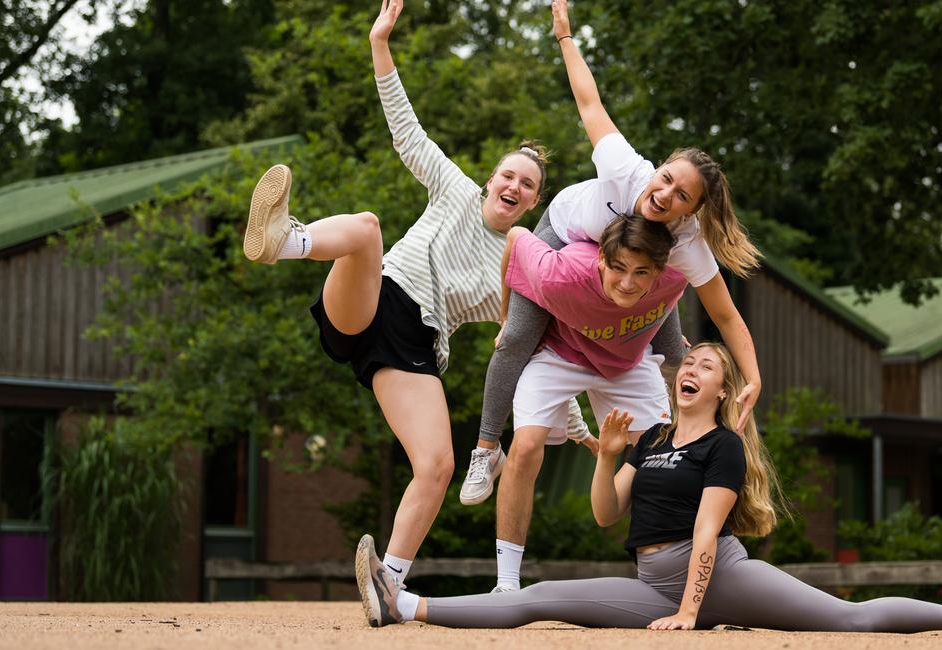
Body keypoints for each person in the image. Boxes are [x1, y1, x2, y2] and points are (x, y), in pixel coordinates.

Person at [242, 0, 587, 592]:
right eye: (509, 175)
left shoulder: (516, 269)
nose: (515, 185)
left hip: (412, 349)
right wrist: (380, 43)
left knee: (438, 465)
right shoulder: (453, 188)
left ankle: (389, 584)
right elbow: (406, 130)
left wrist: (577, 425)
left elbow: (531, 346)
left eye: (527, 186)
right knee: (367, 228)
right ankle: (285, 241)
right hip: (371, 301)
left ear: (533, 204)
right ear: (491, 180)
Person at [355, 342, 942, 638]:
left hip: (720, 578)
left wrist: (691, 612)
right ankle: (402, 602)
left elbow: (708, 531)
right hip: (653, 583)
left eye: (706, 366)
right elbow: (606, 517)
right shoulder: (652, 438)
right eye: (689, 361)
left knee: (848, 619)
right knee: (539, 598)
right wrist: (607, 459)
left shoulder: (722, 446)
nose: (690, 368)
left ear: (722, 390)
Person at [459, 0, 765, 508]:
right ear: (657, 168)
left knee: (675, 352)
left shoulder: (688, 242)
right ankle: (486, 448)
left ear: (692, 210)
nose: (664, 195)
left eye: (681, 196)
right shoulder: (626, 170)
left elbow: (727, 315)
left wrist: (752, 377)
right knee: (516, 338)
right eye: (666, 179)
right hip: (566, 236)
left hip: (633, 266)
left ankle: (688, 456)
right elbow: (589, 102)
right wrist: (564, 36)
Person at [486, 212, 687, 592]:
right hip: (560, 354)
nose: (627, 283)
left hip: (628, 361)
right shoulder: (560, 272)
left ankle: (672, 573)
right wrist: (506, 318)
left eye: (641, 273)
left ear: (658, 272)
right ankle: (506, 583)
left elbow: (693, 311)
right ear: (601, 260)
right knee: (525, 446)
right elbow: (516, 237)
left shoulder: (677, 275)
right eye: (619, 269)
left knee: (664, 456)